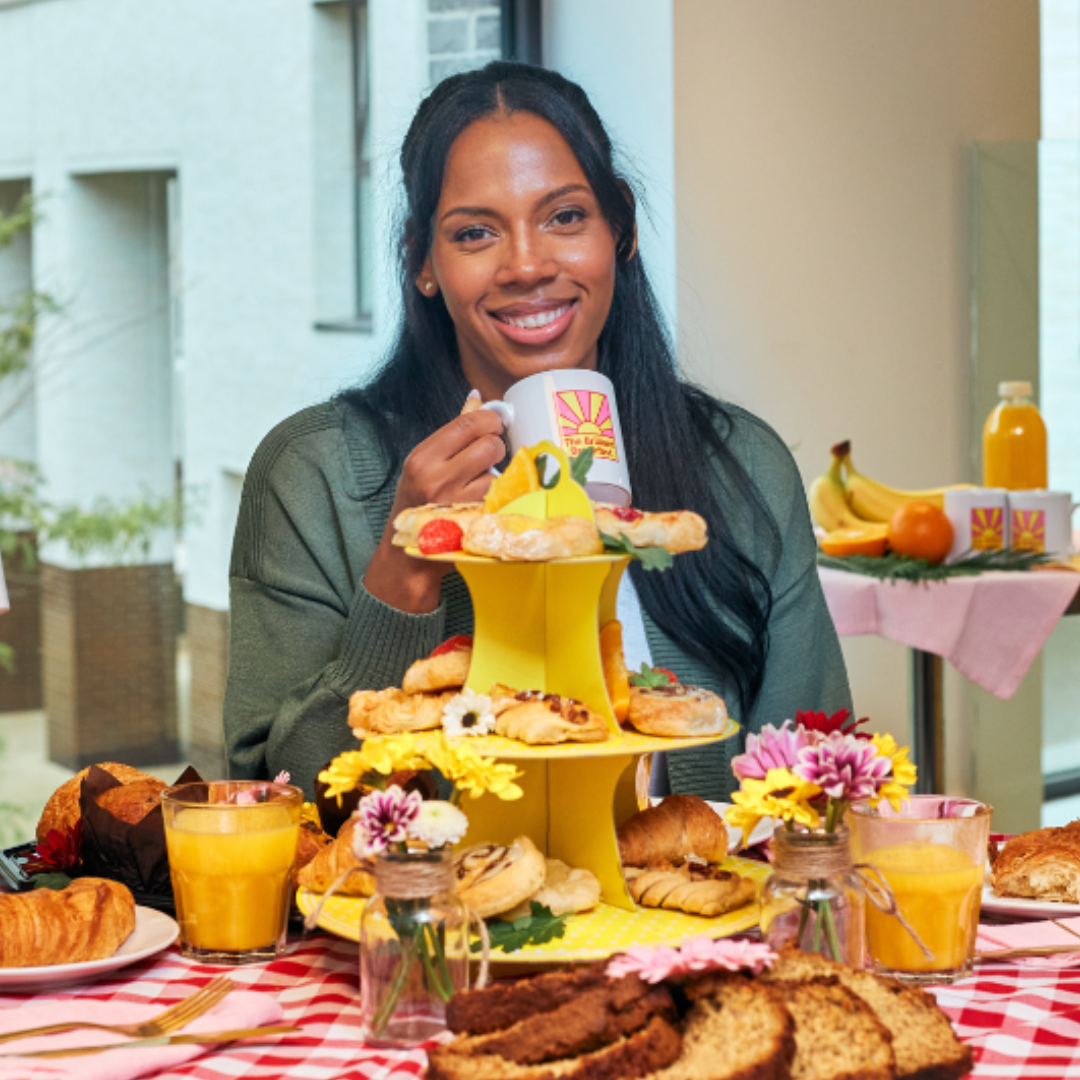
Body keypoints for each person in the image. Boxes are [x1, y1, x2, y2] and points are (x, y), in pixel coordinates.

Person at [224, 62, 851, 800]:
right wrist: (405, 580)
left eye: (564, 217)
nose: (526, 265)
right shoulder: (317, 473)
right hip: (436, 915)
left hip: (702, 914)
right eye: (475, 232)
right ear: (423, 263)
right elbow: (270, 802)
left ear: (621, 228)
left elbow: (823, 782)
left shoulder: (740, 467)